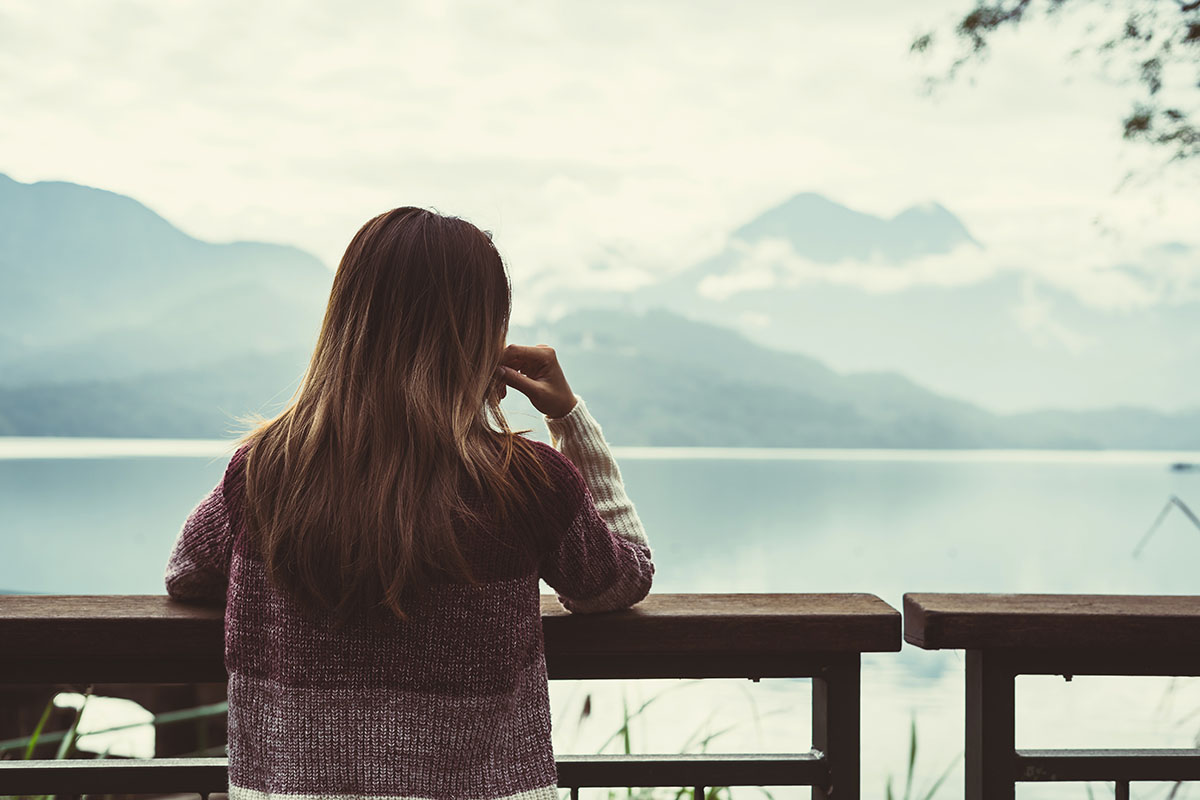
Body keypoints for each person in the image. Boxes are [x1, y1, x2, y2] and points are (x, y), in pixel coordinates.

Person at [163, 207, 654, 800]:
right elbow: (618, 581)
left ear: (347, 320)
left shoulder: (265, 470)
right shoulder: (526, 484)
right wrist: (568, 418)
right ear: (485, 339)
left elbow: (188, 574)